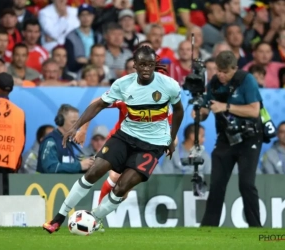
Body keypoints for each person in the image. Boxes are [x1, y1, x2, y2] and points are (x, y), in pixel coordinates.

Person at [43, 45, 184, 233]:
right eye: (142, 64)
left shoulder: (169, 85)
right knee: (93, 172)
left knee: (122, 187)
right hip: (125, 137)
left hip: (152, 145)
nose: (146, 69)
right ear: (134, 65)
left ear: (154, 64)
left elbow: (179, 110)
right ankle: (58, 218)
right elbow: (99, 104)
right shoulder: (123, 85)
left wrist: (171, 138)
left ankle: (93, 219)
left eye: (150, 65)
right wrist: (75, 127)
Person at [195, 51, 263, 227]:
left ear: (235, 68)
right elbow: (206, 110)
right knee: (217, 184)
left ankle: (255, 227)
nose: (221, 75)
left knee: (246, 184)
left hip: (249, 139)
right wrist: (199, 113)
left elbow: (255, 110)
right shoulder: (215, 84)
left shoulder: (246, 80)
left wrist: (225, 106)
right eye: (219, 70)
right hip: (225, 139)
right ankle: (208, 227)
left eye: (225, 71)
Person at [36, 104, 94, 173]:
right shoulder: (50, 141)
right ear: (61, 121)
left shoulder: (67, 142)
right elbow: (50, 167)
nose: (77, 126)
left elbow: (69, 170)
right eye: (73, 122)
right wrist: (80, 166)